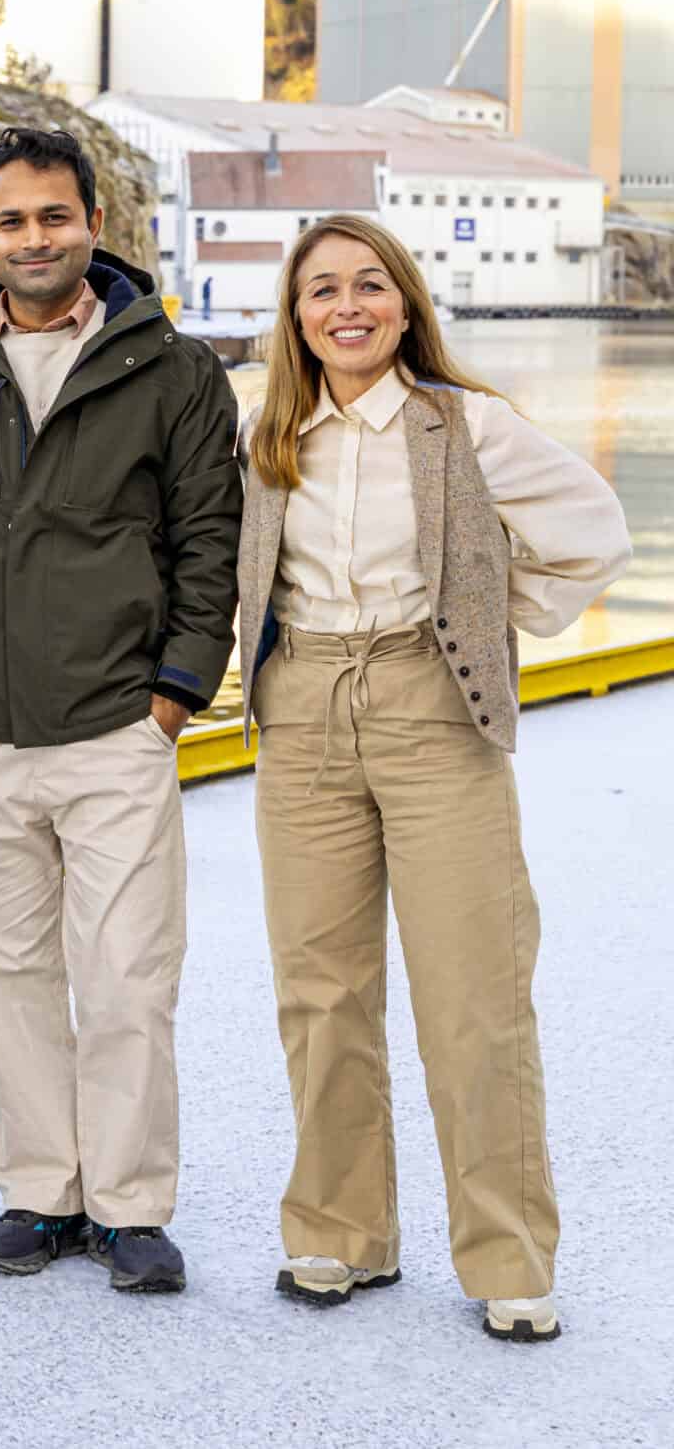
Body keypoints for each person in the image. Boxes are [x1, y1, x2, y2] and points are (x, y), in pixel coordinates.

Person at [238, 214, 629, 1342]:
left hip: (430, 708)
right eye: (322, 291)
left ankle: (507, 1257)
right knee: (320, 995)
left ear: (405, 304)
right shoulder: (264, 428)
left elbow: (593, 533)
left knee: (475, 995)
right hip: (301, 706)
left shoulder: (464, 425)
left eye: (369, 286)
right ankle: (340, 1233)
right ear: (296, 315)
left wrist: (481, 614)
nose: (346, 307)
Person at [0, 125, 242, 1294]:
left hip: (116, 729)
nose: (35, 238)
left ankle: (131, 1207)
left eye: (55, 216)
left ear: (91, 224)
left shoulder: (169, 371)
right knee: (9, 976)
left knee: (127, 975)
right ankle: (42, 1193)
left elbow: (209, 548)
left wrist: (175, 693)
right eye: (12, 220)